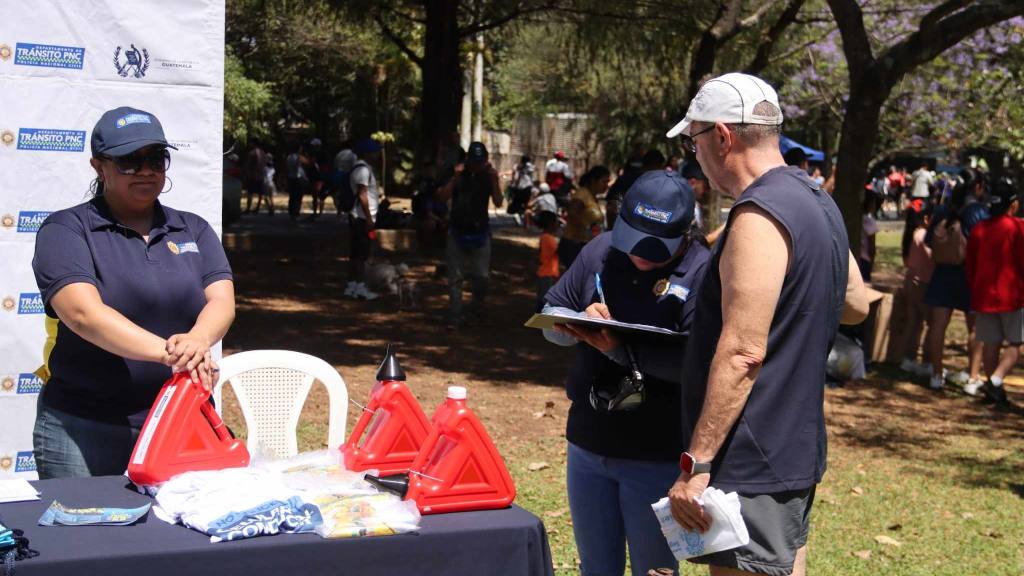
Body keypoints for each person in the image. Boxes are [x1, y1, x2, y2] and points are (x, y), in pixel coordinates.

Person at [663, 73, 869, 576]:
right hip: (793, 447)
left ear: (722, 136)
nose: (696, 156)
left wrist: (697, 463)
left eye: (694, 141)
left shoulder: (757, 215)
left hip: (751, 458)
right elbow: (857, 303)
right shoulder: (817, 200)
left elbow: (742, 353)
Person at [30, 106, 235, 479]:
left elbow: (221, 300)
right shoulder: (65, 229)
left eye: (156, 159)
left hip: (181, 419)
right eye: (128, 161)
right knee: (86, 536)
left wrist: (198, 339)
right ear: (99, 166)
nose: (145, 170)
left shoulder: (193, 228)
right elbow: (83, 315)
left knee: (179, 537)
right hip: (85, 428)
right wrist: (172, 355)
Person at [542, 170, 711, 576]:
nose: (643, 257)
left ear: (686, 233)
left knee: (654, 570)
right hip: (588, 442)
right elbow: (550, 315)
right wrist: (572, 322)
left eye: (658, 250)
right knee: (596, 567)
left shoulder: (704, 272)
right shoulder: (600, 251)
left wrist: (622, 352)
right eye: (635, 242)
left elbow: (700, 370)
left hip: (655, 453)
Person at [965, 177, 1021, 408]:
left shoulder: (979, 230)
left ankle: (992, 385)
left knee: (991, 342)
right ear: (1013, 204)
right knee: (1017, 342)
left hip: (984, 295)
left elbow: (970, 264)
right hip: (1013, 295)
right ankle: (996, 381)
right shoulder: (1017, 228)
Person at [437, 141, 502, 327]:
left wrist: (495, 180)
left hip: (480, 231)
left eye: (481, 162)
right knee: (455, 277)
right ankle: (455, 314)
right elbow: (442, 197)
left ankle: (477, 306)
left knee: (481, 276)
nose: (477, 165)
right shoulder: (458, 175)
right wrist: (454, 179)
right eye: (474, 161)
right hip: (457, 230)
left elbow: (498, 202)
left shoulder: (488, 177)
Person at [922, 183, 972, 390]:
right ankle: (972, 374)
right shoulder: (975, 212)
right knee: (974, 327)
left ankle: (936, 374)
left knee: (938, 326)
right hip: (966, 275)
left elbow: (928, 240)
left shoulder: (941, 211)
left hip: (941, 274)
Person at [343, 138, 383, 301]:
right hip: (361, 217)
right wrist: (368, 218)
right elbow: (363, 195)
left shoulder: (363, 168)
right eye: (374, 151)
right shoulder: (363, 171)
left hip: (360, 216)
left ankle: (352, 286)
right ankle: (360, 287)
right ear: (367, 153)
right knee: (362, 255)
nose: (377, 154)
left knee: (356, 254)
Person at [898, 205, 934, 378]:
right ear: (927, 219)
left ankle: (908, 358)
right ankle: (928, 361)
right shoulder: (925, 235)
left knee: (914, 322)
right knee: (932, 324)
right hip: (923, 284)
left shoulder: (913, 234)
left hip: (911, 281)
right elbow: (932, 257)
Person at [559, 165, 609, 270]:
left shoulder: (593, 198)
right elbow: (572, 213)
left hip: (584, 245)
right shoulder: (582, 194)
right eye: (604, 182)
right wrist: (587, 228)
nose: (606, 186)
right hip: (574, 245)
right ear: (593, 180)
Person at [534, 209, 560, 312]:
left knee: (544, 299)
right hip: (547, 273)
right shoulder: (548, 238)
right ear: (550, 224)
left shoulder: (545, 237)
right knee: (545, 300)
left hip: (546, 273)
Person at [681, 161, 710, 234]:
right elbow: (697, 242)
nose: (706, 191)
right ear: (693, 183)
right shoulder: (684, 207)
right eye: (705, 186)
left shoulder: (696, 205)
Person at [242, 140, 269, 214]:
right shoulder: (263, 153)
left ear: (254, 144)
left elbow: (248, 165)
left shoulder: (252, 153)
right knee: (262, 193)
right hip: (261, 175)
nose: (250, 144)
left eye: (251, 143)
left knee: (250, 192)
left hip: (253, 175)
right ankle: (265, 208)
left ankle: (248, 208)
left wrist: (247, 174)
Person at [507, 154, 536, 221]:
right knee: (525, 203)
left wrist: (512, 184)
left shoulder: (517, 166)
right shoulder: (529, 167)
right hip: (525, 188)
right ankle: (524, 218)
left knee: (519, 202)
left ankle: (522, 217)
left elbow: (514, 176)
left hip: (519, 188)